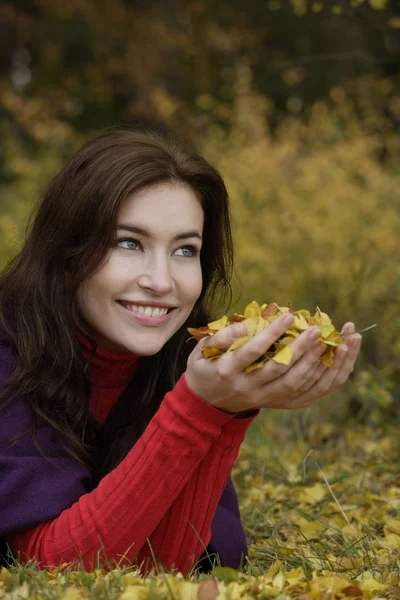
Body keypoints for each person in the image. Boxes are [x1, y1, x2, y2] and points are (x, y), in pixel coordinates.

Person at [0, 126, 362, 575]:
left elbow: (170, 563)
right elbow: (56, 564)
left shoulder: (178, 358)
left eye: (185, 250)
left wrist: (229, 408)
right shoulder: (12, 355)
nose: (162, 281)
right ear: (68, 252)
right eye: (129, 243)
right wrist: (200, 408)